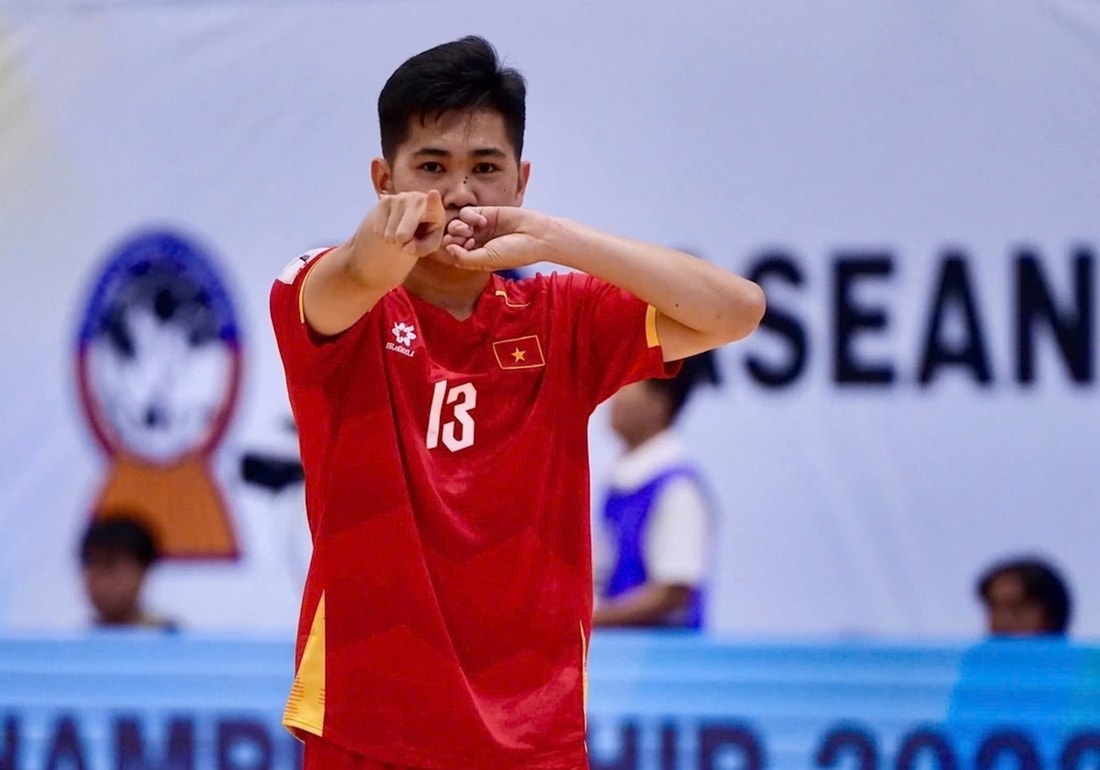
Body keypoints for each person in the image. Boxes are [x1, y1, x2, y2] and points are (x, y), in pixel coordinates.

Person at [269, 35, 765, 770]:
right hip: (367, 734)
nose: (460, 193)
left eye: (485, 168)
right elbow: (354, 273)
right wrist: (383, 241)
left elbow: (738, 310)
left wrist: (554, 238)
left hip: (536, 743)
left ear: (521, 181)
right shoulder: (329, 297)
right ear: (383, 179)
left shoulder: (563, 318)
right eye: (431, 167)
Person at [592, 350, 721, 629]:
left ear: (659, 403)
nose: (612, 398)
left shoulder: (677, 488)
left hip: (663, 654)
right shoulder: (620, 483)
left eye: (625, 385)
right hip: (621, 651)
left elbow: (674, 592)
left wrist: (590, 620)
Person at [78, 514, 176, 630]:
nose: (98, 580)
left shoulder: (169, 636)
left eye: (109, 566)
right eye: (90, 566)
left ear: (142, 571)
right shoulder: (74, 638)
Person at [975, 556, 1072, 637]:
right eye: (994, 608)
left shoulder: (1078, 655)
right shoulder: (971, 654)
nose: (1001, 621)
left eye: (1016, 609)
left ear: (1050, 616)